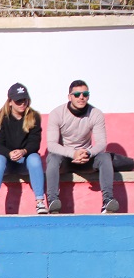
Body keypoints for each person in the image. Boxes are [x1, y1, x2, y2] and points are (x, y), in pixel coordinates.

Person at [46, 80, 118, 214]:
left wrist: (88, 152)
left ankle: (107, 200)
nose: (81, 97)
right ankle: (52, 201)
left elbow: (101, 143)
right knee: (53, 158)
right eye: (77, 94)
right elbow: (51, 145)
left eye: (85, 94)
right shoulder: (57, 113)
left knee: (105, 157)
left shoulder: (95, 113)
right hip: (66, 159)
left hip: (86, 158)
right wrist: (73, 153)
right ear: (69, 97)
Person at [0, 83, 46, 216]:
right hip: (5, 160)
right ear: (10, 102)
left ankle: (40, 202)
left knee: (35, 158)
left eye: (24, 100)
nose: (22, 103)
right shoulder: (0, 119)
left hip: (24, 159)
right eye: (18, 101)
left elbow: (35, 143)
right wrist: (9, 153)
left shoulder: (33, 117)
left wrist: (23, 151)